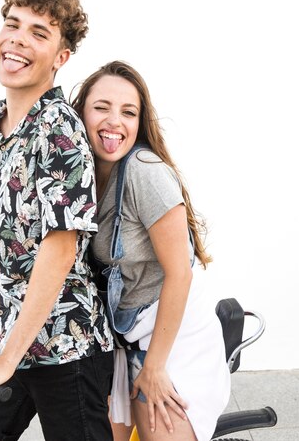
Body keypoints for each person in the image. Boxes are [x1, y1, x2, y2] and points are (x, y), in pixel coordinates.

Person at [0, 0, 114, 441]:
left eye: (39, 33)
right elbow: (24, 213)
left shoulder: (58, 131)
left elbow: (60, 248)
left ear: (61, 58)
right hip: (16, 331)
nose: (19, 39)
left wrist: (2, 363)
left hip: (66, 342)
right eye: (13, 25)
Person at [72, 60, 231, 441]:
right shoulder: (79, 172)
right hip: (125, 336)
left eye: (129, 112)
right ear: (80, 113)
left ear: (140, 123)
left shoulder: (145, 172)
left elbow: (181, 273)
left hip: (172, 336)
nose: (115, 121)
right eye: (101, 107)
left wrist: (156, 367)